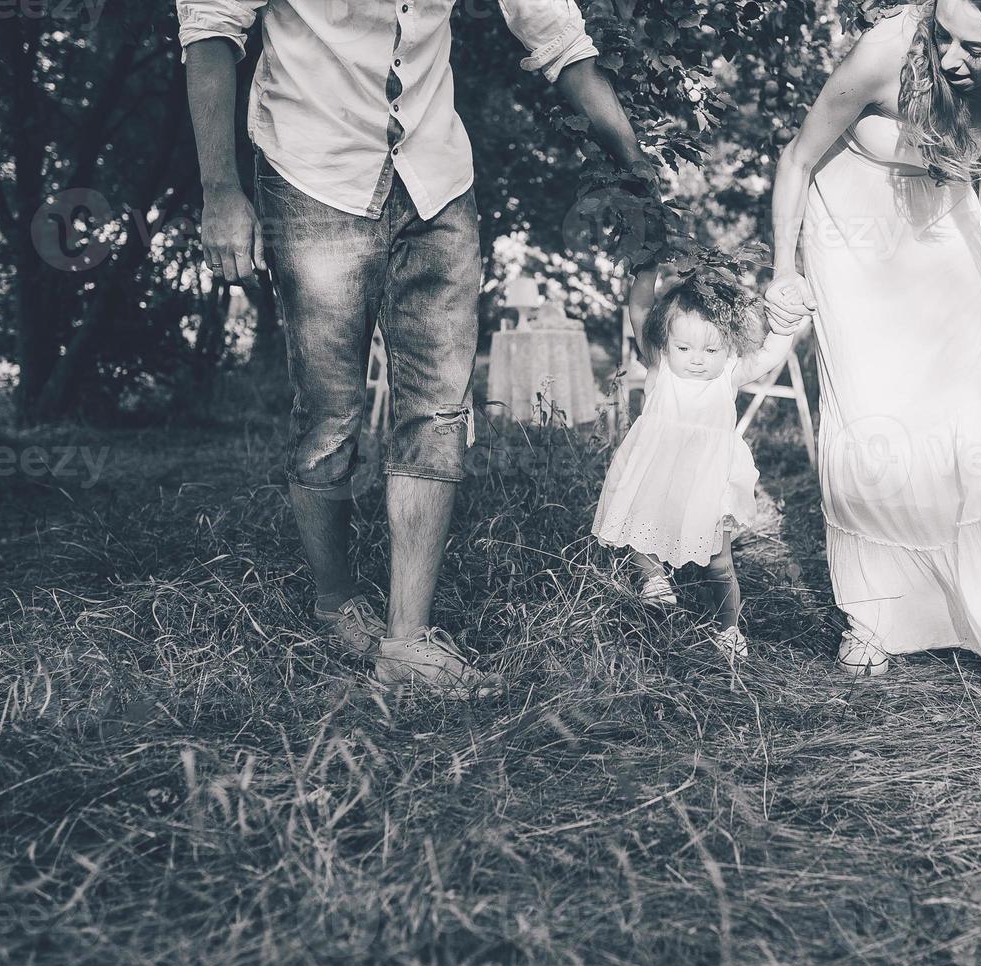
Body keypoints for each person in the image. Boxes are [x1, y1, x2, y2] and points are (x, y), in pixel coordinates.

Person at [177, 0, 653, 695]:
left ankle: (406, 641)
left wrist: (634, 160)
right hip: (311, 170)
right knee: (330, 411)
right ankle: (336, 603)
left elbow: (555, 33)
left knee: (438, 411)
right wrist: (220, 188)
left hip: (438, 182)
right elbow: (211, 29)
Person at [763, 0, 981, 677]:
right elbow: (798, 159)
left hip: (946, 231)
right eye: (943, 37)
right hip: (853, 241)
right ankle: (874, 614)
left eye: (974, 49)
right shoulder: (887, 50)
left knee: (959, 418)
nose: (949, 59)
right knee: (869, 420)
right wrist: (782, 270)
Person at [592, 270, 795, 664]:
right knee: (639, 530)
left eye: (711, 350)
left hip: (708, 482)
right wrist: (646, 268)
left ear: (729, 348)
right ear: (666, 343)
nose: (698, 360)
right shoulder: (661, 365)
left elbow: (771, 353)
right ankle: (654, 580)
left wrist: (786, 322)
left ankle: (728, 629)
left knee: (719, 562)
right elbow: (639, 307)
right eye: (685, 348)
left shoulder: (729, 375)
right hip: (656, 474)